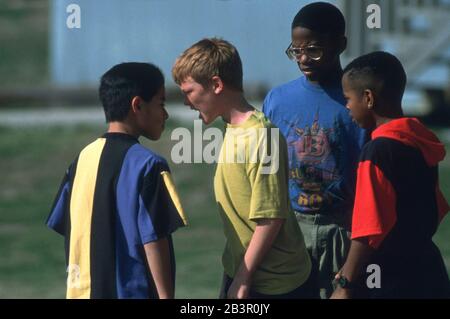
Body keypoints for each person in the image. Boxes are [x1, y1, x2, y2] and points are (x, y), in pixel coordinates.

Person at [172, 38, 316, 299]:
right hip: (241, 271)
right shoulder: (232, 128)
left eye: (188, 92)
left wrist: (242, 278)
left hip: (275, 285)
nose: (186, 102)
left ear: (216, 85)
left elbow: (271, 218)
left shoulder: (262, 136)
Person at [46, 62, 188, 299]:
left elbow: (69, 229)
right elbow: (153, 238)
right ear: (137, 105)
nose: (165, 114)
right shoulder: (149, 165)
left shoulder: (80, 161)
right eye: (161, 103)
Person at [262, 2, 367, 298]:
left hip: (343, 231)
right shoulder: (277, 100)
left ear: (341, 45)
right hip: (291, 228)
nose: (304, 59)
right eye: (296, 51)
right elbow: (268, 170)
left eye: (315, 50)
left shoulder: (358, 103)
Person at [331, 51, 450, 299]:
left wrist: (345, 284)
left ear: (368, 98)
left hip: (390, 279)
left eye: (348, 99)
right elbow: (436, 208)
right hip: (429, 272)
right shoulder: (420, 141)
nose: (347, 107)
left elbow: (368, 230)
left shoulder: (377, 152)